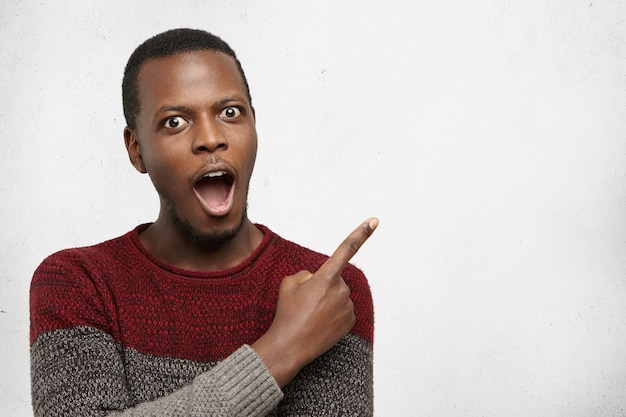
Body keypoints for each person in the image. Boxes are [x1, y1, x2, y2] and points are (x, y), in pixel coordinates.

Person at [29, 28, 378, 416]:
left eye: (230, 113)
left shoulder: (330, 291)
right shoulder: (77, 282)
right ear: (136, 149)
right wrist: (283, 348)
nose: (210, 138)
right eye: (175, 122)